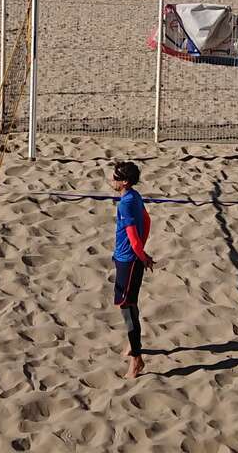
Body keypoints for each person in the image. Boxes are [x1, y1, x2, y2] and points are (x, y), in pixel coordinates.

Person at [110, 161, 154, 379]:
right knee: (131, 305)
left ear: (124, 182)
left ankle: (136, 359)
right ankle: (132, 344)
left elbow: (134, 238)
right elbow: (147, 220)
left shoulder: (126, 204)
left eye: (115, 177)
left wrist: (141, 255)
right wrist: (142, 251)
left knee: (126, 307)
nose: (112, 180)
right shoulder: (134, 196)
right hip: (128, 257)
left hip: (129, 260)